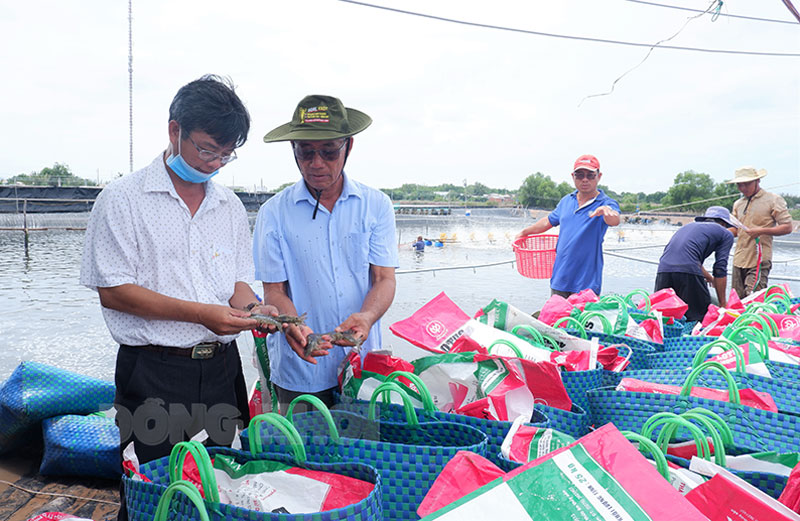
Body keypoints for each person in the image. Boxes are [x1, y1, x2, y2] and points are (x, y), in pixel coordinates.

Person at [80, 75, 275, 486]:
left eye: (226, 154)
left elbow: (238, 283)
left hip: (223, 371)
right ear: (174, 130)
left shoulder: (230, 206)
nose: (214, 163)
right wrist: (201, 314)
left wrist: (254, 310)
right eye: (206, 149)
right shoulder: (122, 199)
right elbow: (114, 291)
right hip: (153, 372)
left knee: (224, 484)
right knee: (152, 488)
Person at [253, 94, 398, 411]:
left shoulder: (376, 206)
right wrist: (293, 325)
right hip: (300, 370)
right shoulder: (273, 214)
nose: (317, 163)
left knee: (364, 449)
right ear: (294, 151)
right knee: (303, 455)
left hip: (361, 365)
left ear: (349, 146)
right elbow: (274, 291)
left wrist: (368, 316)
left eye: (329, 152)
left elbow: (384, 278)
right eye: (306, 152)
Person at [515, 154, 620, 297]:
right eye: (579, 175)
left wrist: (607, 213)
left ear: (599, 176)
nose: (584, 179)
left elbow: (614, 220)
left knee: (583, 319)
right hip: (560, 277)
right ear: (573, 176)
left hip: (586, 282)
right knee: (557, 318)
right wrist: (524, 232)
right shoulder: (566, 201)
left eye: (590, 175)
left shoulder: (605, 203)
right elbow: (548, 221)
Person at [654, 206, 738, 322]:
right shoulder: (725, 234)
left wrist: (709, 278)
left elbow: (689, 257)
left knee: (664, 316)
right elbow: (720, 269)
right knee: (698, 317)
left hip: (663, 270)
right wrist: (723, 304)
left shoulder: (689, 226)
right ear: (724, 224)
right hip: (688, 273)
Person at [727, 166, 793, 297]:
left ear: (757, 181)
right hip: (739, 258)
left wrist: (762, 231)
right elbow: (735, 229)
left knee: (754, 297)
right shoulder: (738, 204)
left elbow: (787, 227)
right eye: (739, 185)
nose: (743, 188)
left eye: (746, 184)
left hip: (759, 258)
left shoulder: (773, 200)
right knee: (736, 298)